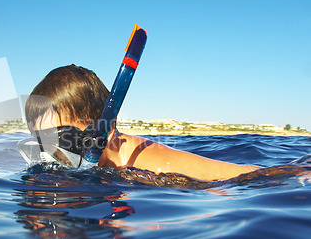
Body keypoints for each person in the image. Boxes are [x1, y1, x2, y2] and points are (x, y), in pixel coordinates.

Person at [22, 64, 260, 181]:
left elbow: (245, 178)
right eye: (41, 142)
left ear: (105, 128)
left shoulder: (151, 162)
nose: (49, 155)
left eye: (62, 138)